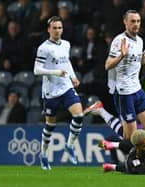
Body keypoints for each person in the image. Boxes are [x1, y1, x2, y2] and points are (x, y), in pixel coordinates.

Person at [104, 9, 145, 140]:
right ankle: (102, 112)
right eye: (132, 21)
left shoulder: (139, 40)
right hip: (123, 92)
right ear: (125, 23)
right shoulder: (119, 40)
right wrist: (121, 56)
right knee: (130, 137)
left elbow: (142, 59)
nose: (136, 24)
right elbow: (108, 65)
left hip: (137, 89)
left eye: (138, 21)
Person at [33, 16, 84, 170]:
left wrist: (73, 77)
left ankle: (69, 145)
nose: (57, 31)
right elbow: (36, 70)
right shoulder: (44, 48)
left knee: (79, 116)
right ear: (49, 29)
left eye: (59, 28)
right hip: (51, 92)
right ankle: (43, 155)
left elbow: (66, 61)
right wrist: (56, 72)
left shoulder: (66, 44)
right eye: (54, 28)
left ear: (62, 29)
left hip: (66, 87)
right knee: (50, 125)